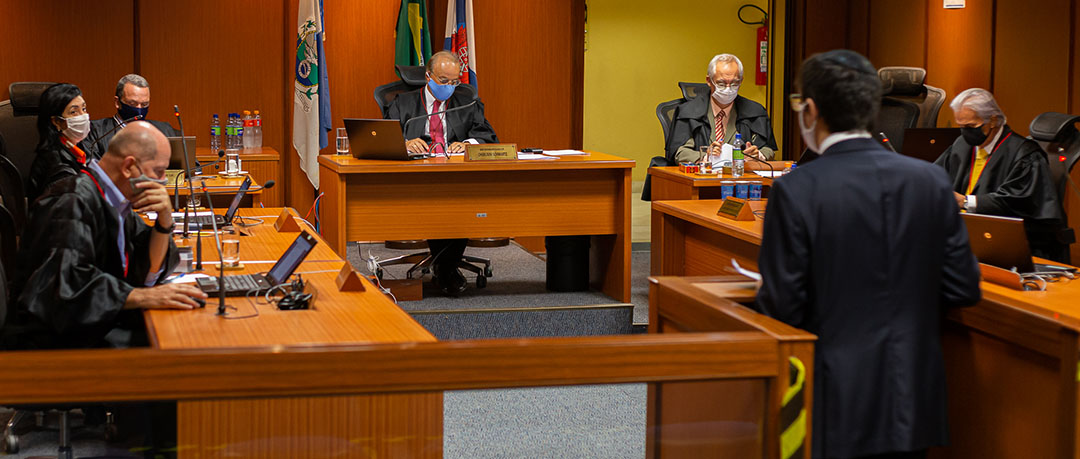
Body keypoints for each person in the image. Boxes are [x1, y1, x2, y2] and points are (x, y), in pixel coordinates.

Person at [755, 50, 982, 459]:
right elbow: (963, 287)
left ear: (811, 110)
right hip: (913, 394)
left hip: (835, 396)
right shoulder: (931, 181)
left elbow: (783, 305)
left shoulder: (796, 189)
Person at [5, 121, 206, 350]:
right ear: (129, 167)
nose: (163, 182)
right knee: (181, 346)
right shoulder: (70, 202)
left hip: (91, 327)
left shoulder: (114, 200)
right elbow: (65, 288)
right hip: (51, 346)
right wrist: (141, 297)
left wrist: (164, 221)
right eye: (158, 172)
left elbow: (148, 270)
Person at [385, 50, 498, 295]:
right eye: (444, 80)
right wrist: (404, 143)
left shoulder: (467, 102)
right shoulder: (402, 103)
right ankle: (447, 270)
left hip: (456, 176)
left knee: (457, 199)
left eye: (454, 82)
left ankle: (444, 268)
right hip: (414, 177)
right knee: (439, 200)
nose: (449, 87)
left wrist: (469, 144)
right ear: (428, 77)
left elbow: (488, 136)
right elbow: (384, 137)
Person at [934, 88, 1069, 262]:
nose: (965, 132)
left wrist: (965, 201)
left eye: (971, 126)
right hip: (965, 237)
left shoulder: (1025, 155)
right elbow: (935, 175)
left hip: (1011, 245)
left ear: (992, 120)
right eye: (961, 126)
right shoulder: (962, 145)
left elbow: (1017, 203)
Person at [666, 53, 778, 164]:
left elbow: (769, 149)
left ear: (741, 81)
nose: (728, 89)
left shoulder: (756, 111)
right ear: (709, 81)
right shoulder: (688, 112)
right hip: (703, 173)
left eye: (734, 83)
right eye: (721, 84)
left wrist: (758, 155)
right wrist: (705, 156)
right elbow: (679, 152)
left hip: (742, 172)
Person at [25, 83, 99, 202]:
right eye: (74, 112)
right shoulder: (57, 167)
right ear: (57, 121)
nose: (83, 116)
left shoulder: (79, 147)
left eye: (84, 109)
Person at [89, 74, 179, 154]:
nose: (139, 109)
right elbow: (92, 164)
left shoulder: (165, 130)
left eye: (144, 104)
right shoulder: (97, 131)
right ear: (117, 102)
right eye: (132, 104)